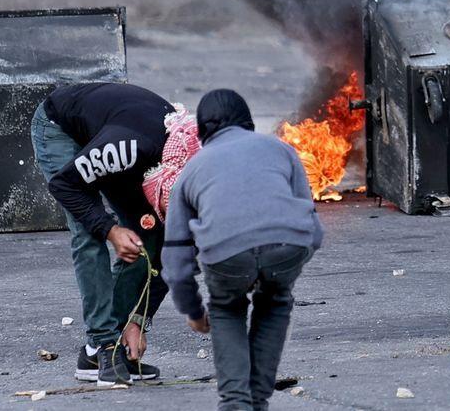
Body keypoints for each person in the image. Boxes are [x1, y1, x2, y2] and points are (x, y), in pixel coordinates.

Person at [164, 89, 324, 411]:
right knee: (276, 300)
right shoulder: (281, 150)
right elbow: (311, 224)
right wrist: (289, 258)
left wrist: (193, 311)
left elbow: (176, 257)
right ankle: (257, 401)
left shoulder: (191, 171)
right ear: (248, 122)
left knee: (225, 307)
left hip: (225, 255)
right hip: (287, 246)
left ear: (202, 132)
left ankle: (236, 404)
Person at [30, 82, 173, 386]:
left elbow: (178, 253)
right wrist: (110, 230)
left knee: (149, 232)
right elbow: (64, 185)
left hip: (118, 136)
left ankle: (115, 342)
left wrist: (138, 320)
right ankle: (103, 345)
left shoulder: (182, 165)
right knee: (89, 232)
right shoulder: (128, 149)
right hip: (61, 127)